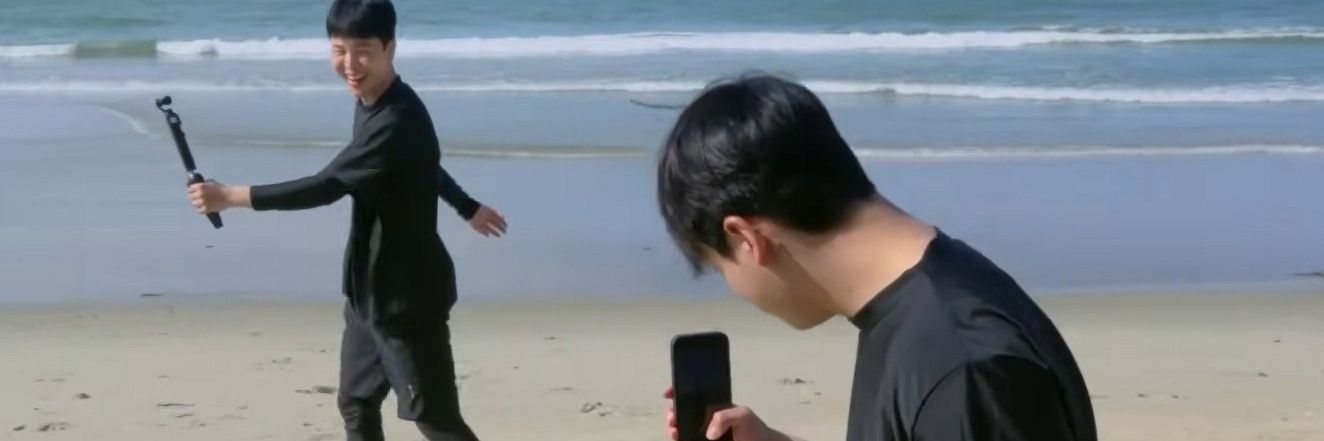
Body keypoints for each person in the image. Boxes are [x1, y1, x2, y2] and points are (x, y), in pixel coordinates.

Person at [656, 74, 1097, 441]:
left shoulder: (964, 370)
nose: (735, 288)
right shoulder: (927, 305)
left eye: (719, 268)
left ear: (746, 238)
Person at [185, 1, 503, 440]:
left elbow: (327, 185)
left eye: (363, 51)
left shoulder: (397, 119)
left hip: (407, 301)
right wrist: (467, 206)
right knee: (356, 403)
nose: (350, 65)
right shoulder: (371, 99)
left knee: (435, 419)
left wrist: (229, 197)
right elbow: (422, 166)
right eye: (339, 50)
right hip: (367, 292)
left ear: (390, 48)